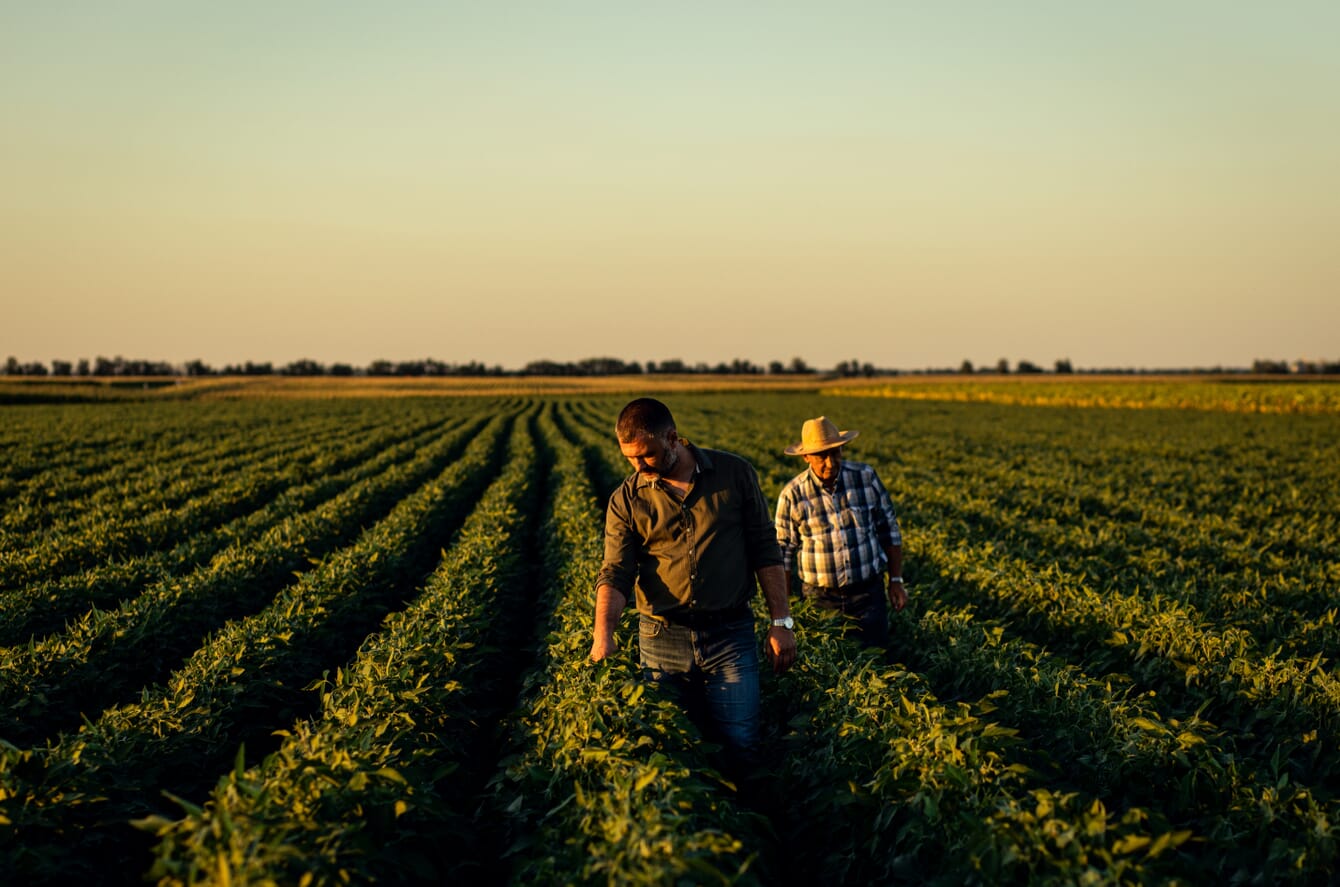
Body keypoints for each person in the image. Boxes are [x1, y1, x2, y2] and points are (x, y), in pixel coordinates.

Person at [590, 397, 796, 775]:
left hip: (730, 634)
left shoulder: (734, 475)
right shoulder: (626, 499)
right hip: (661, 638)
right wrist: (603, 636)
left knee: (741, 745)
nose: (638, 466)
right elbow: (616, 572)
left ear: (672, 438)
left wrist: (781, 622)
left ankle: (742, 823)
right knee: (669, 752)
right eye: (629, 458)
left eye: (647, 455)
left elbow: (765, 548)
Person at [775, 415, 906, 648]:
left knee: (876, 657)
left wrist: (895, 580)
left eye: (835, 452)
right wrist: (785, 609)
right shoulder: (792, 494)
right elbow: (783, 554)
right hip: (819, 598)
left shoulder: (865, 477)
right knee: (831, 664)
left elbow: (889, 529)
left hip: (868, 593)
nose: (830, 462)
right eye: (821, 456)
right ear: (806, 457)